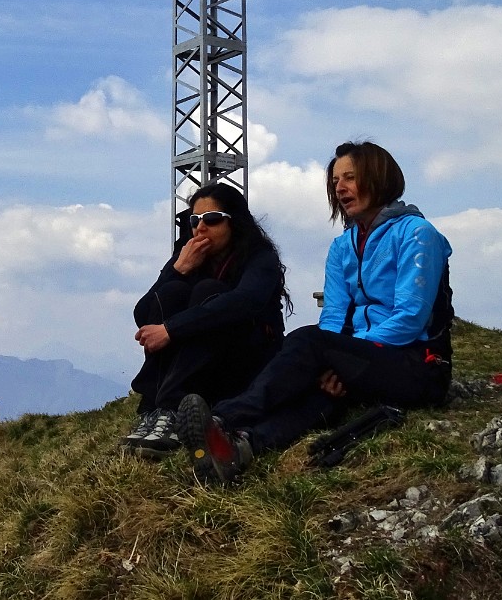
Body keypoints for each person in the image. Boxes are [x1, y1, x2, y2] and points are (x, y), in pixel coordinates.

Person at [177, 140, 454, 484]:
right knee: (323, 396)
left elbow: (410, 318)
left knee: (307, 342)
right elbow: (334, 316)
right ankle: (238, 449)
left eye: (350, 178)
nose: (340, 188)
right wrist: (337, 361)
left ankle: (221, 420)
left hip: (418, 365)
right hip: (366, 361)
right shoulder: (342, 246)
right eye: (336, 181)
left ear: (379, 178)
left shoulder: (417, 234)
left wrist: (337, 358)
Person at [121, 182, 290, 456]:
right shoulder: (187, 255)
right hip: (197, 367)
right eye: (194, 220)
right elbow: (144, 313)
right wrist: (177, 270)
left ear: (234, 223)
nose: (200, 228)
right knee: (173, 291)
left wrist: (171, 329)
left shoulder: (260, 257)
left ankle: (172, 409)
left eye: (212, 220)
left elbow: (244, 302)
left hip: (246, 360)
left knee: (208, 292)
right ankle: (157, 409)